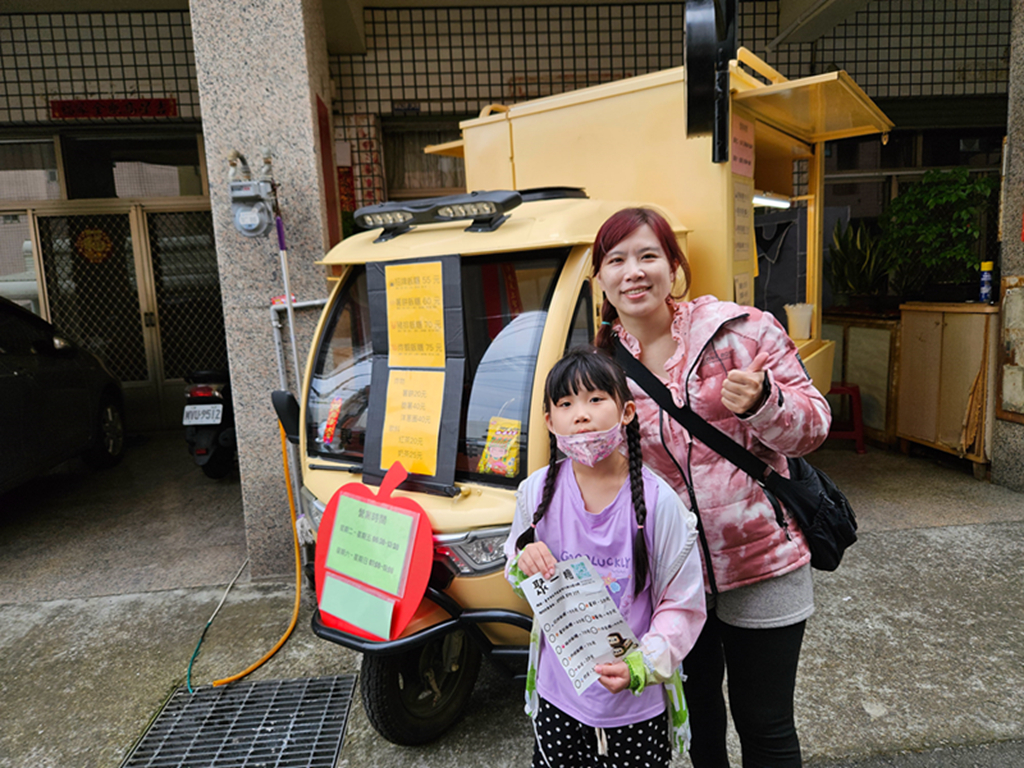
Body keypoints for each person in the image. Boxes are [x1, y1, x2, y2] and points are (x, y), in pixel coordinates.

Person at [590, 207, 832, 768]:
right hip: (673, 578)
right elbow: (591, 473)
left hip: (763, 563)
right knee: (697, 723)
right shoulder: (602, 367)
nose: (634, 271)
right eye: (616, 259)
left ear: (674, 266)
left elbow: (813, 427)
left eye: (649, 255)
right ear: (600, 278)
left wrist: (767, 403)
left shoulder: (742, 332)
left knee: (766, 725)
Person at [503, 347, 706, 768]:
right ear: (548, 420)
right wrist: (525, 561)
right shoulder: (535, 493)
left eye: (596, 399)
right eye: (565, 403)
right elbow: (515, 566)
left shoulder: (659, 504)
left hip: (635, 703)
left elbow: (682, 603)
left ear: (627, 411)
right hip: (558, 694)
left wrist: (643, 665)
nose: (581, 414)